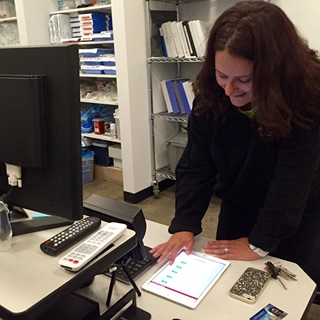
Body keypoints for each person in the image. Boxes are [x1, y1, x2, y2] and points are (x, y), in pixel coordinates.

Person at [150, 0, 320, 291]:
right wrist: (184, 224)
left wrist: (261, 241)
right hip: (238, 205)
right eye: (222, 75)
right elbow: (196, 166)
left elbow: (292, 180)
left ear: (275, 72)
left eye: (244, 79)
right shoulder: (211, 97)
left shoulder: (308, 98)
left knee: (289, 293)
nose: (229, 90)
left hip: (296, 212)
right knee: (230, 287)